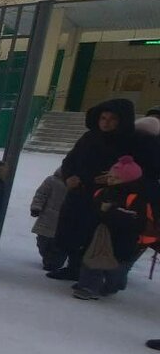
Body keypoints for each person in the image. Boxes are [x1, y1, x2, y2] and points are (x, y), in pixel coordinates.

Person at [49, 99, 140, 280]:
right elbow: (70, 160)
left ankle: (92, 276)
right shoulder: (89, 137)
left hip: (106, 197)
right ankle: (73, 268)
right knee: (72, 231)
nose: (106, 122)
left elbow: (134, 170)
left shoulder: (130, 142)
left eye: (112, 118)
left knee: (96, 236)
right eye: (103, 118)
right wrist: (69, 177)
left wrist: (116, 179)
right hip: (78, 193)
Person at [72, 156, 149, 300]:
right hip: (100, 235)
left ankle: (113, 284)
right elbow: (93, 210)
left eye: (117, 178)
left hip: (123, 240)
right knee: (93, 260)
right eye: (111, 177)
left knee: (116, 268)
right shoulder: (103, 192)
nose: (111, 180)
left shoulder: (136, 199)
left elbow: (136, 221)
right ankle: (88, 286)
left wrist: (110, 211)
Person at [31, 169, 69, 271]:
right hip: (47, 217)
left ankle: (54, 262)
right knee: (42, 241)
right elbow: (41, 194)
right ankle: (47, 257)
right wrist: (36, 207)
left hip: (66, 220)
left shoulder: (78, 184)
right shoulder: (52, 181)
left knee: (59, 244)